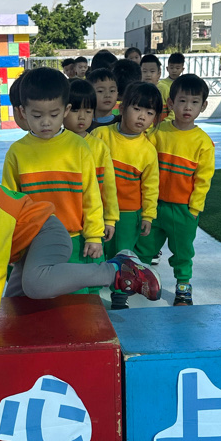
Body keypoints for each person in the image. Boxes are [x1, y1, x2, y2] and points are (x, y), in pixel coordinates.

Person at [0, 102, 161, 333]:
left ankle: (116, 269)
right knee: (15, 304)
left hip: (45, 233)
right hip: (23, 249)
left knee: (36, 285)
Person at [2, 68, 105, 277]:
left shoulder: (79, 147)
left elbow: (91, 195)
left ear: (66, 110)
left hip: (74, 239)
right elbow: (8, 204)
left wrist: (94, 235)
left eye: (54, 114)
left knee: (75, 292)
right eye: (37, 115)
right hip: (33, 240)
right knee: (35, 291)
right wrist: (11, 242)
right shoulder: (17, 152)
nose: (46, 122)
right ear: (22, 112)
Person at [136, 74, 215, 306]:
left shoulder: (203, 142)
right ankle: (140, 279)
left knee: (183, 252)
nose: (187, 107)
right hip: (154, 206)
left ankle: (183, 286)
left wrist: (194, 209)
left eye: (194, 102)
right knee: (144, 246)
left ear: (203, 106)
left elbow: (203, 179)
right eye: (182, 101)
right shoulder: (157, 132)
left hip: (183, 210)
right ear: (170, 103)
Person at [92, 81, 161, 308]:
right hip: (98, 208)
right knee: (95, 250)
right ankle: (90, 292)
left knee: (122, 255)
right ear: (121, 108)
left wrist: (148, 215)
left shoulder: (148, 150)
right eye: (137, 109)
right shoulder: (100, 135)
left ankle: (120, 296)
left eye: (149, 113)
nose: (142, 117)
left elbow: (150, 187)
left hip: (129, 214)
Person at [64, 78, 119, 244]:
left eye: (88, 111)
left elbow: (109, 186)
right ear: (63, 110)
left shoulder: (99, 147)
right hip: (65, 222)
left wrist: (110, 219)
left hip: (94, 221)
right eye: (75, 110)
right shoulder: (53, 146)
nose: (82, 117)